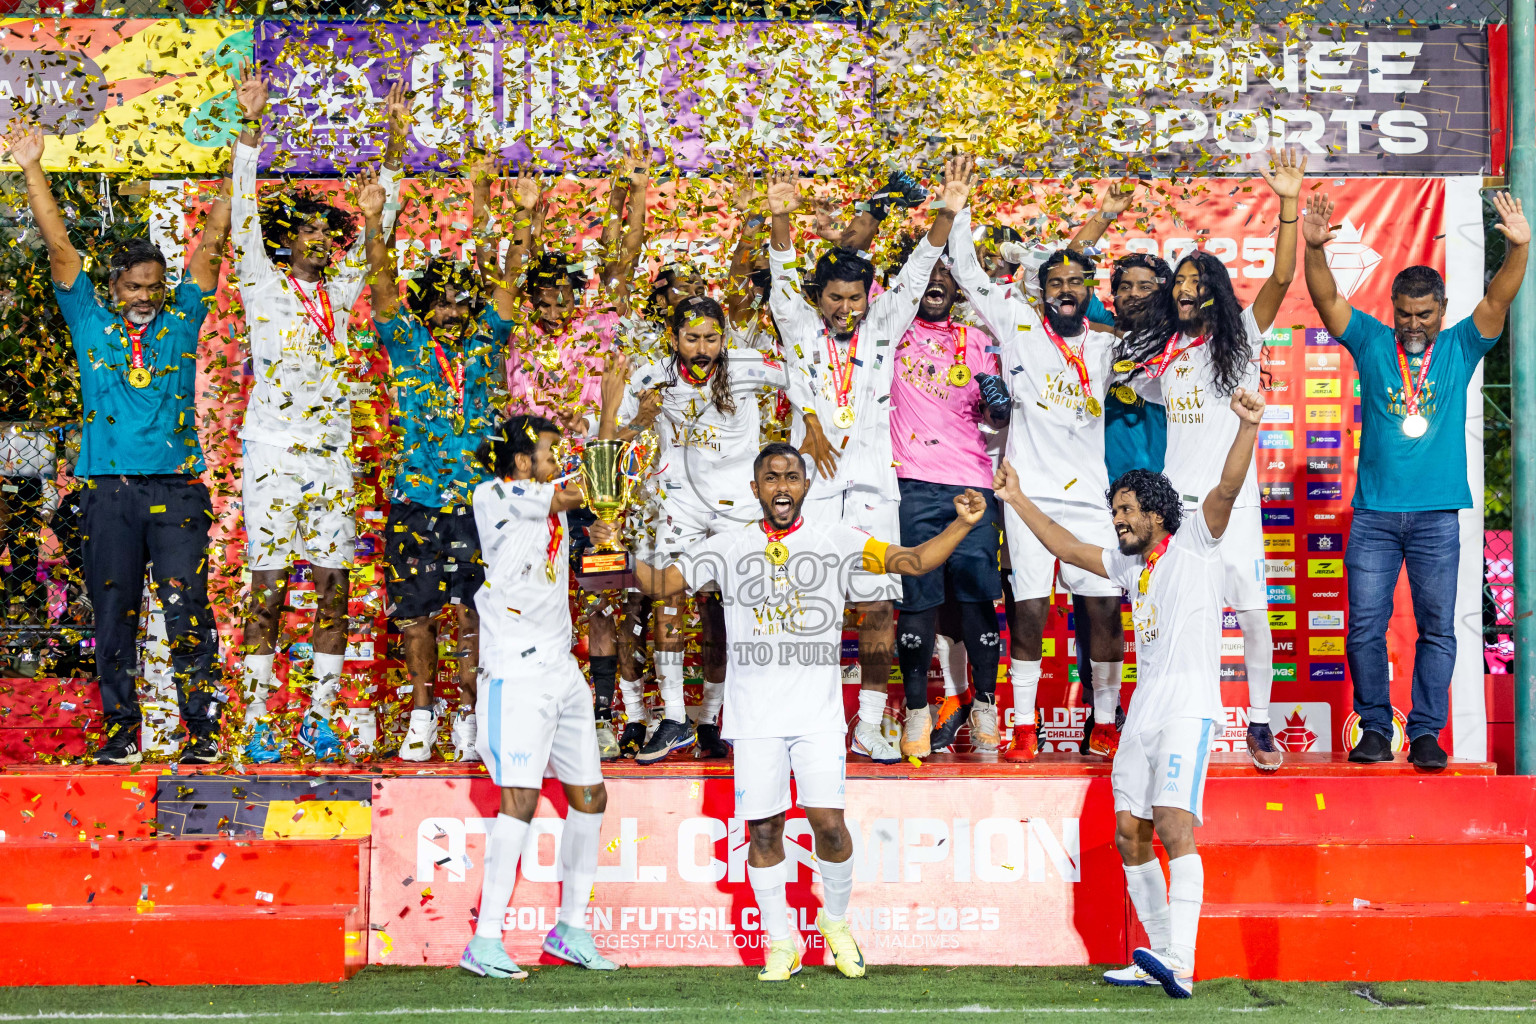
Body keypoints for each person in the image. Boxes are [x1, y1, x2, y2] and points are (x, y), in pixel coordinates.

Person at [621, 441, 990, 981]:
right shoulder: (727, 545)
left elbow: (912, 562)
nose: (782, 487)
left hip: (817, 718)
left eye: (792, 477)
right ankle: (781, 942)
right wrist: (619, 542)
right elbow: (657, 585)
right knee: (764, 832)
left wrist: (960, 526)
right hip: (754, 721)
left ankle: (835, 924)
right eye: (771, 478)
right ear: (756, 489)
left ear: (806, 486)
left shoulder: (834, 539)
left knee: (830, 827)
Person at [995, 387, 1267, 998]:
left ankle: (1183, 961)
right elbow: (1065, 547)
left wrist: (1246, 428)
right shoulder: (1126, 567)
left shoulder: (1195, 543)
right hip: (1142, 713)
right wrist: (1017, 498)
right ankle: (1160, 957)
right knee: (1129, 833)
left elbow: (1224, 491)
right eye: (1113, 510)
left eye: (1125, 510)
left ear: (1157, 515)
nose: (1116, 519)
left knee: (1173, 825)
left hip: (1186, 708)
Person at [4, 125, 229, 765]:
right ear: (113, 287)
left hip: (178, 488)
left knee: (189, 610)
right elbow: (57, 243)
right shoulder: (89, 320)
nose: (146, 298)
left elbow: (212, 241)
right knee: (113, 616)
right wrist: (32, 168)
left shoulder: (183, 317)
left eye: (155, 287)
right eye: (135, 287)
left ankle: (202, 728)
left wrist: (245, 142)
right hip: (108, 493)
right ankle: (122, 729)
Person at [1302, 190, 1529, 769]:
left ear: (1442, 308)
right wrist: (1312, 248)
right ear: (1394, 307)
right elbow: (1326, 299)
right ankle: (1376, 729)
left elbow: (1499, 299)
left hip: (1436, 517)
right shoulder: (1374, 341)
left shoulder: (1460, 345)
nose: (1412, 324)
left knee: (1438, 631)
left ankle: (1426, 733)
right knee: (1364, 631)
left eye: (1423, 313)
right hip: (1375, 516)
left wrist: (1519, 249)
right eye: (1404, 312)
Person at [766, 155, 976, 762]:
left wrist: (947, 211)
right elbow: (781, 278)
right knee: (808, 607)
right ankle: (810, 719)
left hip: (873, 486)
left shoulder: (883, 319)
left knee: (879, 606)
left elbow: (912, 276)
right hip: (814, 489)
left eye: (855, 298)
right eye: (835, 298)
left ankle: (870, 722)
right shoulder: (799, 325)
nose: (846, 309)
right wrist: (781, 217)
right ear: (819, 296)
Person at [231, 67, 402, 762]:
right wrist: (251, 126)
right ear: (283, 241)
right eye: (302, 231)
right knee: (268, 588)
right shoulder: (259, 282)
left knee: (335, 586)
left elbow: (379, 229)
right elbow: (242, 208)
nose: (316, 241)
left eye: (324, 233)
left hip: (330, 455)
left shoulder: (340, 289)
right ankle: (255, 717)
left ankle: (321, 714)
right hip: (272, 452)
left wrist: (392, 149)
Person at [1117, 149, 1306, 771]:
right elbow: (1124, 370)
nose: (1189, 295)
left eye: (1200, 287)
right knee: (1168, 618)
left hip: (1235, 502)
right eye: (1182, 288)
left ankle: (1257, 725)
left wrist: (1286, 205)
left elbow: (1280, 279)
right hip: (1177, 507)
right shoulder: (1159, 355)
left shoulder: (1244, 337)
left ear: (1217, 294)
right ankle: (1156, 713)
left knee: (1253, 617)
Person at [948, 208, 1125, 763]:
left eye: (1075, 282)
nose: (1065, 291)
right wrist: (957, 210)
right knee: (1028, 611)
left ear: (1088, 290)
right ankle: (1023, 725)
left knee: (1103, 611)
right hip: (1026, 497)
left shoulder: (1107, 346)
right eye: (1055, 283)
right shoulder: (1018, 324)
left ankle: (1104, 721)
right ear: (1041, 290)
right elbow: (969, 274)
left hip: (1091, 499)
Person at [366, 152, 515, 763]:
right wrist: (377, 222)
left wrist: (512, 215)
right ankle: (424, 717)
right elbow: (379, 280)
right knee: (417, 617)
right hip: (415, 502)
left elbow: (505, 284)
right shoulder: (404, 342)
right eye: (442, 302)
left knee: (474, 618)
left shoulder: (485, 341)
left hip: (478, 505)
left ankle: (473, 718)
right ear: (423, 305)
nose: (453, 312)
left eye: (462, 302)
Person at [601, 295, 791, 764]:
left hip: (738, 513)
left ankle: (711, 719)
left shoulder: (749, 365)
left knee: (731, 618)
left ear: (723, 337)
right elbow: (604, 446)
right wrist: (641, 421)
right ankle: (672, 717)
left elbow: (811, 381)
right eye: (692, 339)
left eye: (711, 338)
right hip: (677, 509)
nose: (703, 348)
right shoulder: (651, 375)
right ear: (674, 338)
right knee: (667, 604)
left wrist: (810, 429)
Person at [460, 414, 617, 978]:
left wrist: (601, 531)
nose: (558, 461)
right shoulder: (494, 493)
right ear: (523, 461)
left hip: (562, 670)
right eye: (552, 452)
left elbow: (574, 501)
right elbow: (573, 493)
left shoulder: (548, 503)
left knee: (592, 797)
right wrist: (611, 427)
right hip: (514, 675)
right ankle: (484, 939)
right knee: (519, 802)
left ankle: (571, 928)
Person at [884, 233, 1011, 757]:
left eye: (947, 274)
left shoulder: (977, 340)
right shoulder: (889, 330)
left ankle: (985, 704)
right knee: (918, 602)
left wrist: (999, 406)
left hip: (972, 481)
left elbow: (992, 415)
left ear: (959, 285)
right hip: (910, 482)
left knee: (979, 600)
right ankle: (916, 711)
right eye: (928, 275)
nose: (937, 282)